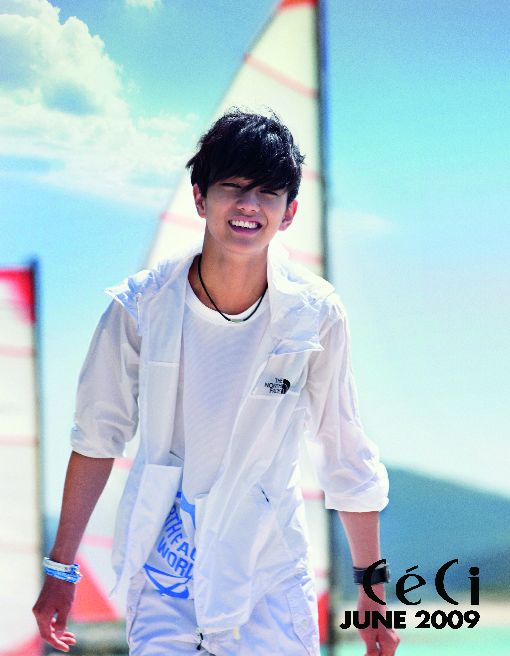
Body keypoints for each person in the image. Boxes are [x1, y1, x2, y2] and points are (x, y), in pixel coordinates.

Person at [33, 109, 400, 656]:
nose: (250, 205)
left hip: (268, 571)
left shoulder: (315, 313)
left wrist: (372, 592)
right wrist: (61, 567)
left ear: (289, 212)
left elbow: (344, 450)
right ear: (200, 198)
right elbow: (96, 438)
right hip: (165, 570)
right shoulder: (140, 306)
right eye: (233, 187)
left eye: (268, 193)